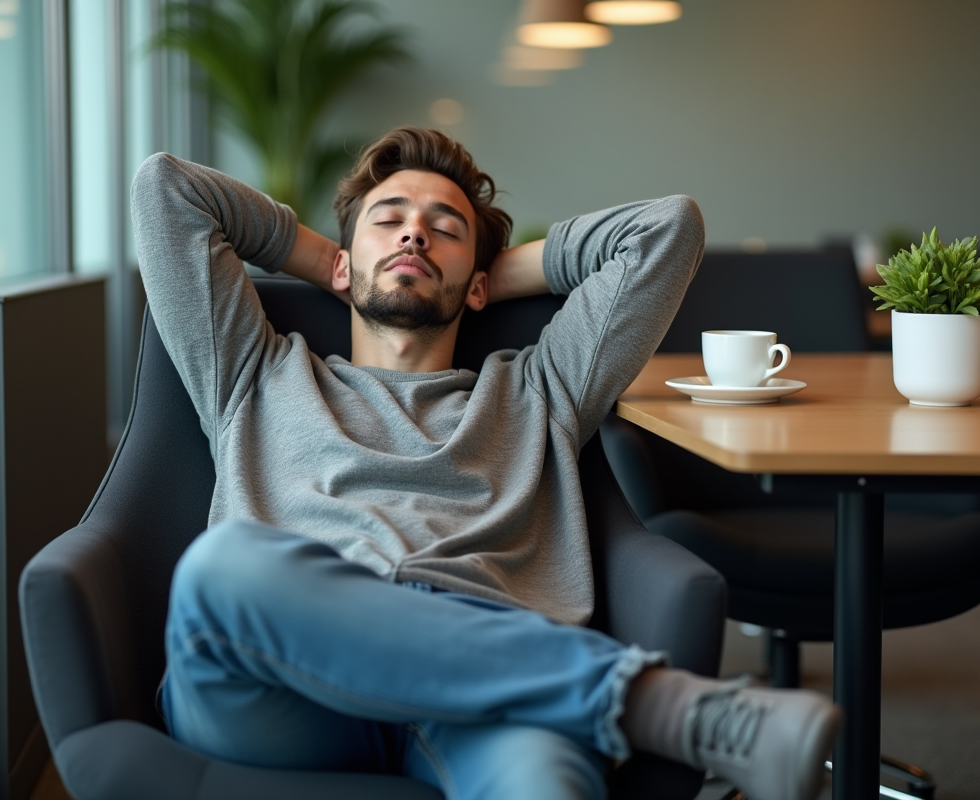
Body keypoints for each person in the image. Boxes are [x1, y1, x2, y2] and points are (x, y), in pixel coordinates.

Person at [131, 126, 840, 800]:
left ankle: (617, 700)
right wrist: (331, 261)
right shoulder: (254, 370)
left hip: (493, 702)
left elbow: (667, 228)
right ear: (343, 260)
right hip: (286, 690)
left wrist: (481, 275)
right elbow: (166, 188)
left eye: (446, 227)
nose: (415, 231)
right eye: (389, 218)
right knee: (222, 569)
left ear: (479, 282)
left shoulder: (541, 388)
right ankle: (663, 707)